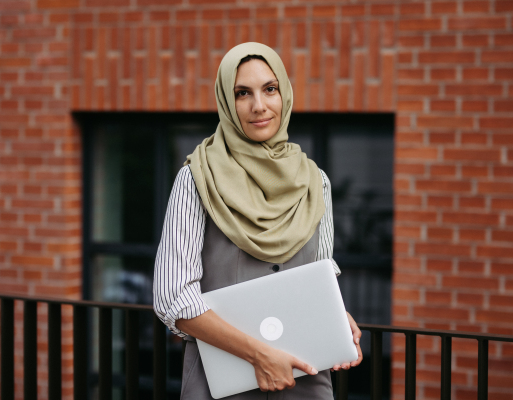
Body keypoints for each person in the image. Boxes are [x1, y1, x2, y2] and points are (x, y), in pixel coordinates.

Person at [153, 42, 362, 399]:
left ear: (285, 93)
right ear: (226, 102)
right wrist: (258, 355)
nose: (259, 106)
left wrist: (339, 317)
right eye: (242, 93)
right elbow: (173, 299)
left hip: (305, 381)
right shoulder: (197, 179)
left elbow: (320, 273)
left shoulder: (316, 183)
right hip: (221, 385)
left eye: (270, 89)